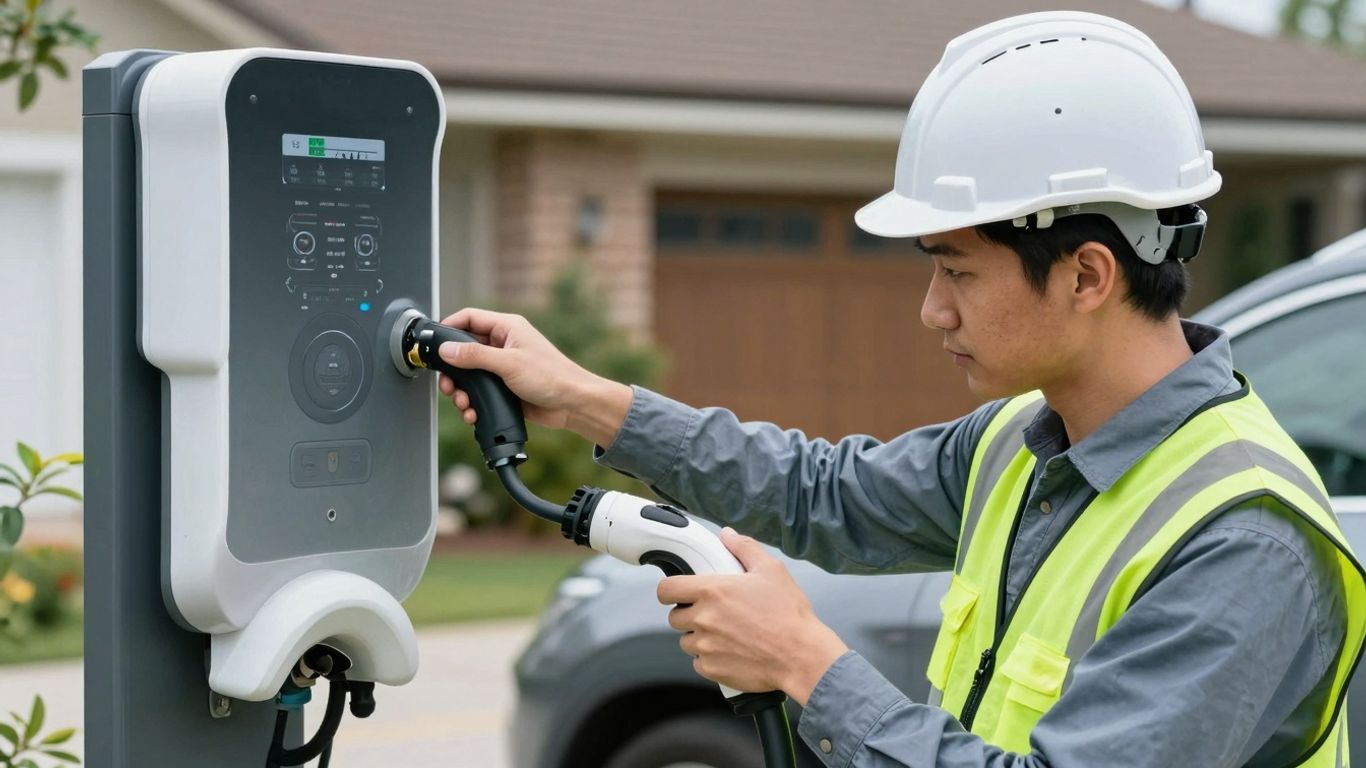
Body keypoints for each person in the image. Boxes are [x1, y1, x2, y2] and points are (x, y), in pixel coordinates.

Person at [434, 11, 1365, 768]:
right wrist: (584, 399)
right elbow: (822, 493)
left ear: (1087, 276)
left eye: (956, 272)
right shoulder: (1023, 442)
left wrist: (804, 663)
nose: (932, 312)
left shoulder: (1243, 542)